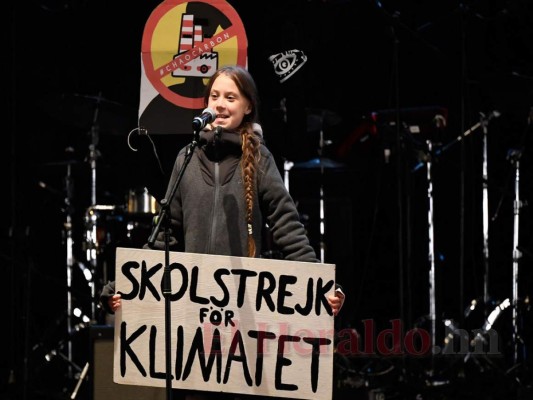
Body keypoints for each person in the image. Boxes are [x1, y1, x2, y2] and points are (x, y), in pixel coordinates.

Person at [99, 65, 345, 399]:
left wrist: (321, 286)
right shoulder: (185, 158)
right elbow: (164, 236)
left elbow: (288, 226)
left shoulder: (259, 158)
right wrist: (125, 286)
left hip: (242, 316)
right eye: (215, 96)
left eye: (231, 97)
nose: (221, 104)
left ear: (248, 107)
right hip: (194, 319)